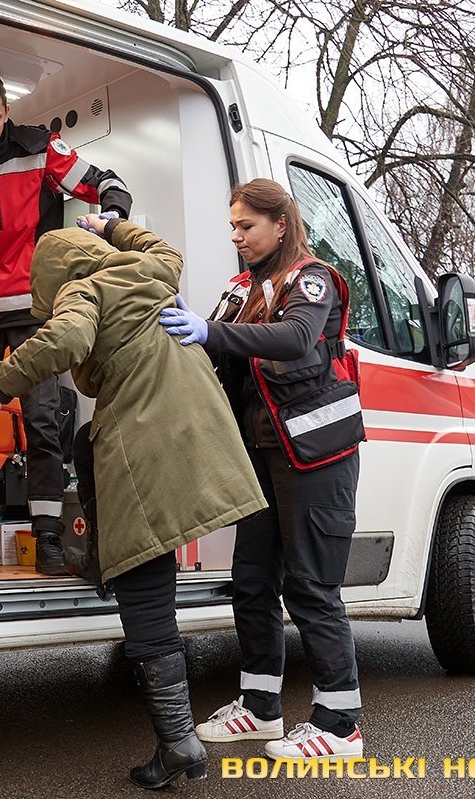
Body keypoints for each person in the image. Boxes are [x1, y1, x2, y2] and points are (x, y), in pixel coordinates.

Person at [0, 216, 266, 788]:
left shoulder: (82, 291)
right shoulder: (149, 270)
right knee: (89, 451)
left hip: (145, 442)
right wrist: (110, 224)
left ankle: (179, 743)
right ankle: (178, 738)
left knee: (145, 594)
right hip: (199, 432)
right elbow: (162, 247)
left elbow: (65, 340)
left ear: (55, 277)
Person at [159, 178, 367, 761]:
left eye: (247, 226)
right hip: (262, 455)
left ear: (280, 224)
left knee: (311, 586)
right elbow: (213, 342)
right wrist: (192, 326)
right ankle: (260, 708)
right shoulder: (241, 289)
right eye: (232, 226)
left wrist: (211, 331)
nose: (237, 236)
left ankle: (340, 725)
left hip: (316, 457)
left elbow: (296, 338)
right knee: (252, 582)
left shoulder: (312, 279)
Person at [0, 72, 133, 575]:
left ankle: (47, 538)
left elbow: (106, 181)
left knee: (43, 422)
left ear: (7, 112)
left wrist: (112, 219)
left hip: (31, 308)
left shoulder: (39, 149)